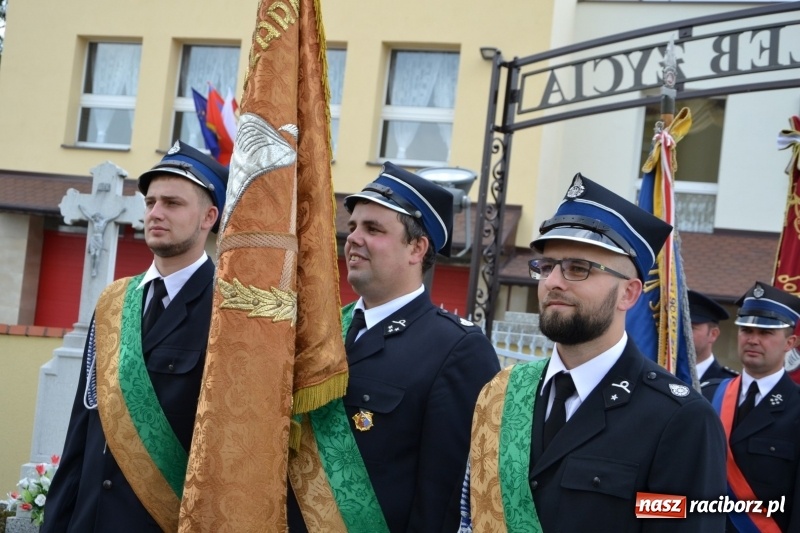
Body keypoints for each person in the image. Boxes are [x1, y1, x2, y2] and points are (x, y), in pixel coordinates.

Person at [461, 173, 727, 532]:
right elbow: (467, 517)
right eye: (546, 266)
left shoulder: (678, 420)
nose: (553, 282)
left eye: (577, 268)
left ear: (629, 294)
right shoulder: (502, 393)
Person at [287, 162, 501, 532]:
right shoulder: (320, 330)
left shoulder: (457, 349)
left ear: (417, 248)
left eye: (373, 229)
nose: (353, 237)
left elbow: (441, 501)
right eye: (353, 226)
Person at [42, 141, 228, 533]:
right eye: (151, 202)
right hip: (89, 521)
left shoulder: (228, 311)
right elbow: (82, 427)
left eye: (173, 203)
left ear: (208, 216)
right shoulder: (114, 301)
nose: (156, 213)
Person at [702, 282, 800, 532]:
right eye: (746, 330)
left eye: (766, 333)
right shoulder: (706, 394)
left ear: (790, 342)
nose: (753, 340)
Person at [688, 289, 738, 381]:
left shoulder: (727, 384)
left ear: (713, 334)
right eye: (679, 327)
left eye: (691, 328)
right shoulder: (663, 375)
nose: (683, 333)